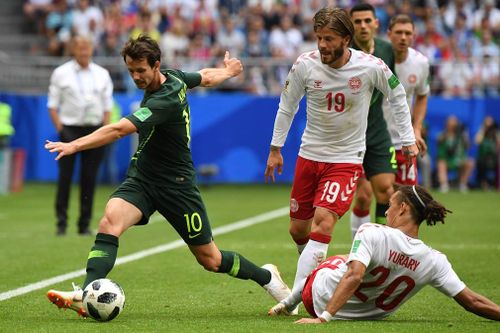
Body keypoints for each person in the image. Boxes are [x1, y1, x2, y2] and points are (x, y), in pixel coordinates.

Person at [45, 35, 292, 318]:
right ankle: (87, 295)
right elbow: (205, 77)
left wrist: (75, 144)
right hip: (144, 178)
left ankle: (267, 277)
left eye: (141, 71)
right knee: (109, 221)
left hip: (177, 185)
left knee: (210, 260)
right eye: (130, 71)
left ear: (156, 65)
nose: (136, 77)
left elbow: (118, 130)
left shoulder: (165, 100)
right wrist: (228, 71)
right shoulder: (173, 76)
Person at [264, 7, 417, 314]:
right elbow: (287, 106)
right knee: (298, 230)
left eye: (329, 39)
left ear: (346, 39)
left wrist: (408, 138)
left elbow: (397, 96)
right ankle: (307, 279)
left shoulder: (370, 66)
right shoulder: (305, 65)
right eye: (319, 37)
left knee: (323, 224)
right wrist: (275, 148)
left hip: (346, 160)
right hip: (309, 156)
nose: (322, 45)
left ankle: (295, 299)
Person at [271, 185, 500, 322]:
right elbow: (472, 301)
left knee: (342, 260)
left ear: (403, 208)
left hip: (318, 297)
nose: (387, 210)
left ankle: (287, 298)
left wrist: (324, 318)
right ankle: (286, 301)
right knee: (351, 260)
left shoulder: (371, 231)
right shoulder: (435, 260)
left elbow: (354, 276)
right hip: (366, 314)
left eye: (390, 204)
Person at [47, 35, 113, 236]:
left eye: (87, 48)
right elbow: (52, 104)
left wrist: (105, 129)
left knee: (89, 178)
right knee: (65, 177)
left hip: (94, 130)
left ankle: (84, 224)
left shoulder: (102, 73)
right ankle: (61, 222)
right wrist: (60, 129)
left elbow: (107, 105)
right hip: (69, 129)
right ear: (73, 50)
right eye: (80, 48)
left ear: (92, 49)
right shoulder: (61, 73)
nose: (84, 52)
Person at [349, 3, 400, 236]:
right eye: (357, 21)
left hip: (376, 128)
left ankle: (380, 246)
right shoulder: (341, 51)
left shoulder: (386, 51)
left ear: (376, 24)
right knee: (362, 196)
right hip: (348, 131)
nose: (363, 26)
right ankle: (357, 247)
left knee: (386, 191)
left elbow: (394, 90)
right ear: (350, 26)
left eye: (367, 21)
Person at [382, 15, 430, 188]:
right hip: (375, 139)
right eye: (399, 32)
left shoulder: (421, 63)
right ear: (389, 34)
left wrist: (416, 130)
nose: (403, 37)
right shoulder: (376, 60)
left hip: (403, 140)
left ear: (414, 36)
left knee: (406, 196)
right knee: (366, 196)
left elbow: (422, 95)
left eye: (407, 33)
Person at [436, 115, 474, 193]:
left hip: (459, 160)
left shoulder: (461, 135)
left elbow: (468, 146)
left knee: (470, 162)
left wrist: (464, 135)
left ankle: (462, 184)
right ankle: (444, 185)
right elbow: (439, 141)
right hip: (447, 161)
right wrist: (446, 134)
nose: (452, 125)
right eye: (450, 123)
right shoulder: (443, 135)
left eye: (453, 123)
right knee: (441, 163)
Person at [474, 116, 499, 190]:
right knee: (481, 162)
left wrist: (495, 133)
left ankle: (496, 184)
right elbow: (477, 141)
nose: (489, 126)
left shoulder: (496, 133)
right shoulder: (481, 132)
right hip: (483, 159)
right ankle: (483, 184)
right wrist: (483, 130)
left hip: (494, 158)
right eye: (486, 123)